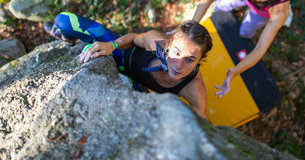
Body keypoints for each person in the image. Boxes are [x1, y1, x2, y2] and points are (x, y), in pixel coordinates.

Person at [44, 12, 213, 119]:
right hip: (120, 54)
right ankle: (66, 39)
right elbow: (132, 37)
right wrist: (113, 45)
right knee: (63, 20)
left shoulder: (193, 88)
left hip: (136, 88)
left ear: (200, 61)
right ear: (168, 46)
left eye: (190, 59)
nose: (178, 64)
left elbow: (203, 125)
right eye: (176, 52)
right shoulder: (156, 42)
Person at [192, 0, 296, 98]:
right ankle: (222, 15)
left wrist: (234, 72)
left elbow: (260, 48)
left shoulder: (280, 10)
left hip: (263, 11)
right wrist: (191, 26)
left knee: (246, 32)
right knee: (221, 5)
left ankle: (246, 34)